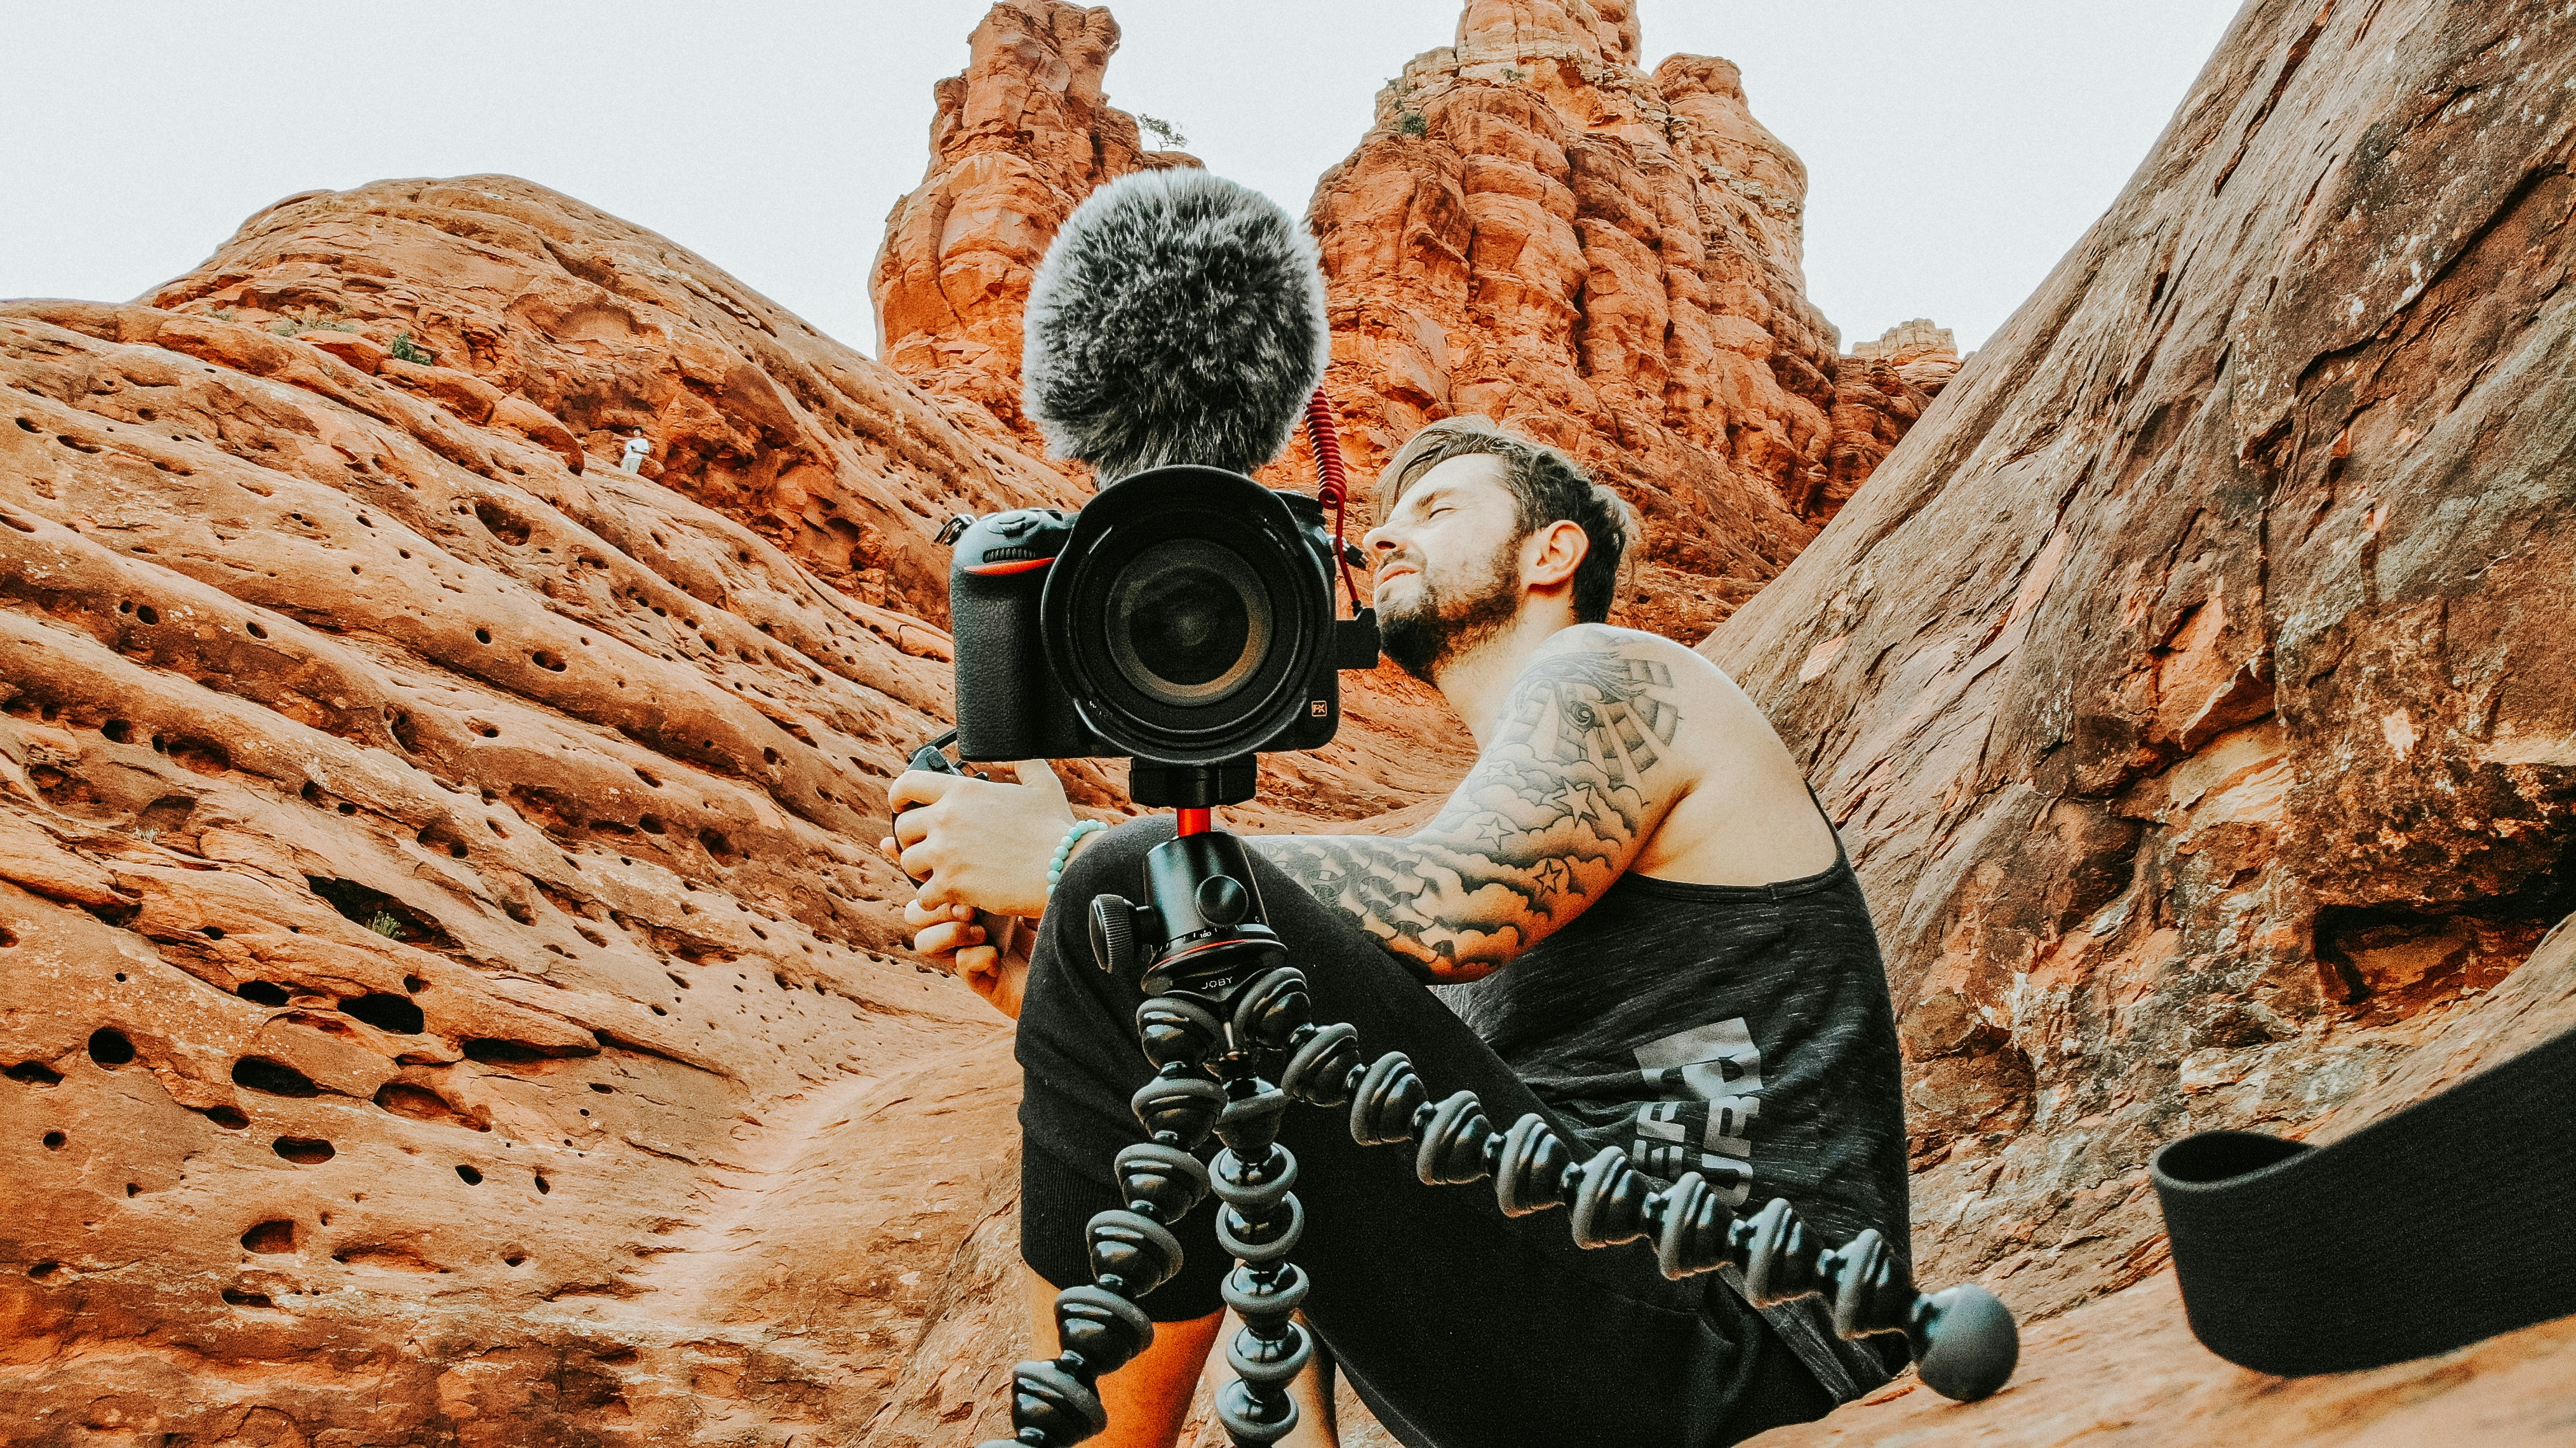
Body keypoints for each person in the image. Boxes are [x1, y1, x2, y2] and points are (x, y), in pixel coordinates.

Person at [883, 417, 1909, 1448]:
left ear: (1553, 551)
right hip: (1594, 1339)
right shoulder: (1495, 809)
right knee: (1156, 937)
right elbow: (1325, 1146)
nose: (1384, 536)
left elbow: (1463, 900)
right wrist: (1112, 1005)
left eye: (1436, 506)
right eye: (1378, 521)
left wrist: (1075, 875)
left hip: (1751, 1329)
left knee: (1129, 875)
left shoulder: (1621, 673)